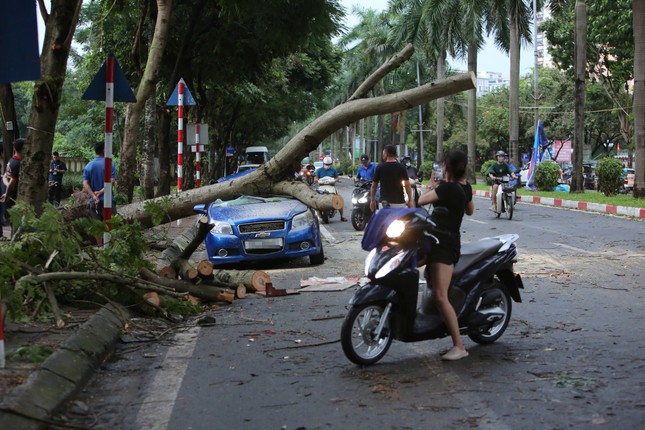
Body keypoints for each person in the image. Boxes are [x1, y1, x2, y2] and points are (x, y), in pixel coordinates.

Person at [417, 149, 474, 361]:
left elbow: (422, 200)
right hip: (438, 240)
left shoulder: (447, 189)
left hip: (444, 245)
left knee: (441, 295)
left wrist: (433, 183)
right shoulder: (464, 187)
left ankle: (459, 346)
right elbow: (470, 211)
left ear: (446, 168)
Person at [82, 141, 117, 246]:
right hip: (108, 201)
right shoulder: (109, 164)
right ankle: (110, 248)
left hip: (94, 202)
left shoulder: (89, 166)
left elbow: (85, 183)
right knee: (111, 225)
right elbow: (112, 181)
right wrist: (101, 192)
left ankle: (101, 248)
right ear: (103, 150)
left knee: (97, 228)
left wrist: (93, 196)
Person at [370, 145, 413, 211]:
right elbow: (407, 185)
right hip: (399, 202)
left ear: (386, 154)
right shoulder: (401, 167)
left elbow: (374, 186)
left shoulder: (380, 167)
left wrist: (372, 200)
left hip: (384, 203)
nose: (383, 155)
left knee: (384, 221)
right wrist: (410, 200)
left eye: (383, 153)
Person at [314, 156, 347, 222]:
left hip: (331, 187)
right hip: (321, 187)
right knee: (315, 200)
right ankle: (316, 215)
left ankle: (342, 216)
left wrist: (336, 180)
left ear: (331, 164)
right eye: (326, 164)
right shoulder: (319, 170)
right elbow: (316, 178)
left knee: (338, 200)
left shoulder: (333, 170)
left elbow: (337, 178)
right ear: (323, 164)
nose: (327, 166)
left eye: (329, 164)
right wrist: (317, 180)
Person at [1, 138, 25, 217]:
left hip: (10, 195)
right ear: (23, 148)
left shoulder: (11, 161)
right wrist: (7, 193)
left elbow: (5, 176)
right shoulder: (18, 164)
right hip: (15, 197)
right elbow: (12, 181)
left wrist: (7, 187)